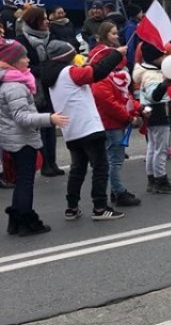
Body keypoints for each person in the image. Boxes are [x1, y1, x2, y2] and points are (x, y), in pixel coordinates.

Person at [41, 40, 126, 220]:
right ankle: (100, 207)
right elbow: (98, 72)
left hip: (71, 130)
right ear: (67, 57)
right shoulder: (69, 72)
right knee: (100, 167)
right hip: (87, 127)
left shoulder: (53, 77)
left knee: (77, 169)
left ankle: (72, 207)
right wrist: (117, 54)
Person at [0, 38, 69, 236]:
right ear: (12, 61)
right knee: (25, 181)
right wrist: (50, 118)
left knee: (23, 179)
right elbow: (21, 117)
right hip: (21, 140)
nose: (28, 59)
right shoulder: (15, 86)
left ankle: (16, 220)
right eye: (23, 56)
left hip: (13, 138)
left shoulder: (10, 82)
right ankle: (26, 221)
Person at [90, 20, 143, 207]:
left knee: (115, 158)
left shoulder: (115, 75)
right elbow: (109, 103)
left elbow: (124, 97)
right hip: (111, 122)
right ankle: (119, 193)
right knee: (115, 160)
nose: (117, 36)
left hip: (117, 121)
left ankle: (116, 190)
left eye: (116, 33)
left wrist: (138, 108)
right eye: (112, 33)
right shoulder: (103, 76)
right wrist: (128, 117)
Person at [16, 4, 64, 176]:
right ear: (34, 21)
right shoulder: (22, 40)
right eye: (43, 19)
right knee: (40, 125)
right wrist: (42, 71)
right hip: (34, 87)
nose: (47, 21)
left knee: (51, 124)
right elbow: (23, 65)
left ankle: (52, 161)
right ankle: (44, 163)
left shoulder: (50, 37)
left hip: (50, 85)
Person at [133, 42, 171, 194]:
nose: (166, 57)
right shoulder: (152, 75)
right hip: (159, 114)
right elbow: (154, 96)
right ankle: (161, 180)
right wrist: (165, 84)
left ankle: (152, 179)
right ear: (154, 58)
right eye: (162, 55)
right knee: (161, 149)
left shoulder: (149, 71)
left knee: (152, 148)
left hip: (152, 115)